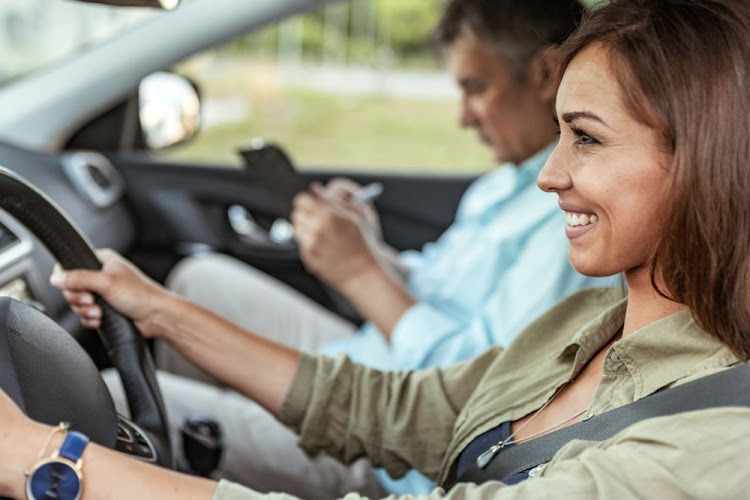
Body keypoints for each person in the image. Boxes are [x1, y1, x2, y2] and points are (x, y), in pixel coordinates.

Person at [6, 0, 750, 498]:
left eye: (585, 138)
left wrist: (50, 457)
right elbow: (386, 405)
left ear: (709, 157)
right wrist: (161, 311)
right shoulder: (587, 323)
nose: (550, 175)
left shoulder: (709, 444)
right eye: (559, 134)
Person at [143, 0, 615, 495]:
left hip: (397, 442)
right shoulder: (503, 185)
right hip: (372, 362)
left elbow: (481, 398)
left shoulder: (569, 216)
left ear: (543, 73)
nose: (463, 118)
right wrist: (364, 244)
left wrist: (360, 274)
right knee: (198, 280)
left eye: (476, 88)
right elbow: (437, 283)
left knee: (114, 390)